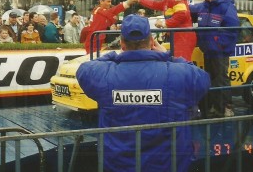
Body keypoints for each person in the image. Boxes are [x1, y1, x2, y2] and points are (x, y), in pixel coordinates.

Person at [76, 14, 210, 172]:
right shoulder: (176, 73)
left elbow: (84, 70)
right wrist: (169, 56)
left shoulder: (105, 74)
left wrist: (115, 55)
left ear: (122, 44)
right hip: (169, 165)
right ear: (152, 41)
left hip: (118, 165)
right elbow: (203, 79)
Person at [189, 0, 239, 118]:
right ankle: (214, 107)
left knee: (221, 78)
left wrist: (218, 43)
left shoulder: (226, 7)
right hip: (208, 50)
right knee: (210, 78)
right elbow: (185, 9)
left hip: (220, 51)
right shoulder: (203, 6)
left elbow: (233, 29)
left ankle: (226, 108)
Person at [129, 0, 196, 61]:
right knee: (178, 63)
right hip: (179, 36)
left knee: (181, 64)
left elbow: (182, 14)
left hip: (183, 36)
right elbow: (154, 4)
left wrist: (164, 24)